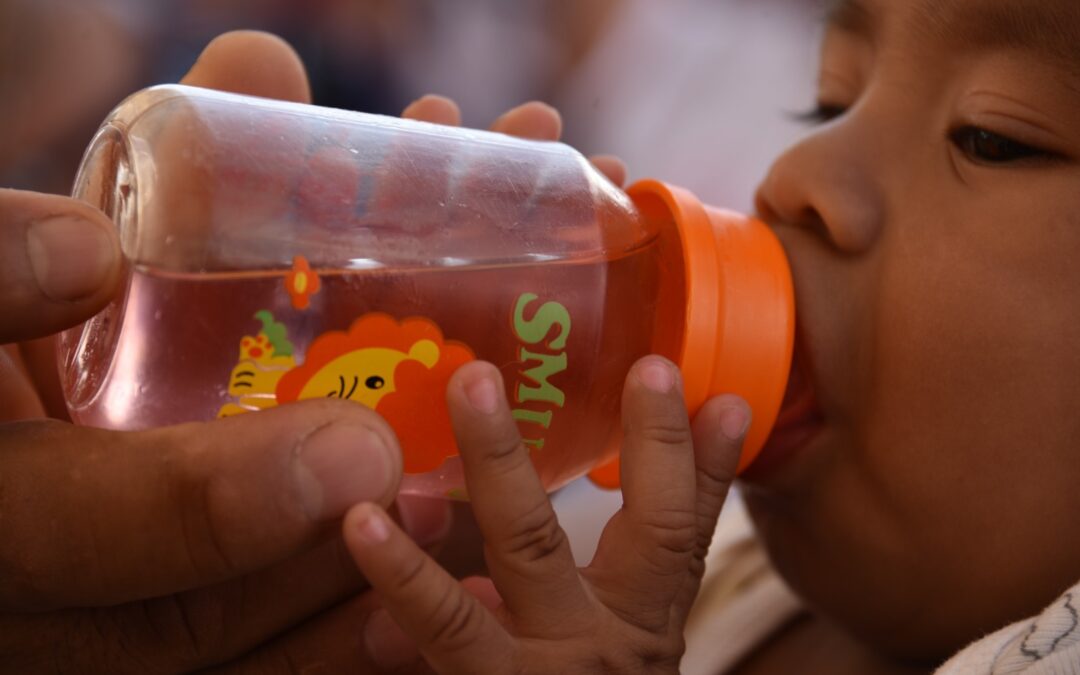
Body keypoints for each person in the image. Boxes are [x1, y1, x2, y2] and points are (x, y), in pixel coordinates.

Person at [339, 0, 1080, 672]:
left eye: (992, 138)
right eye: (832, 101)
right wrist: (474, 541)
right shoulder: (667, 555)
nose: (794, 174)